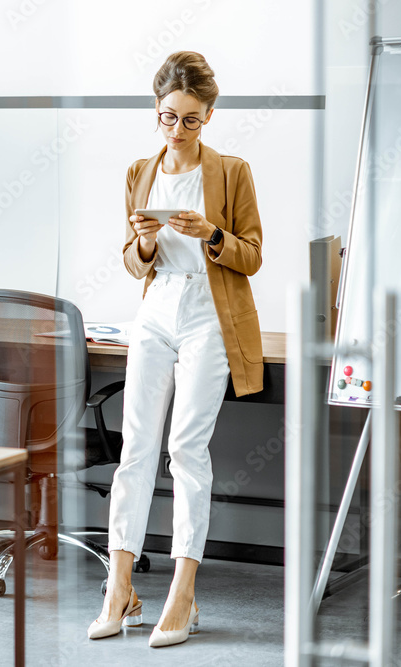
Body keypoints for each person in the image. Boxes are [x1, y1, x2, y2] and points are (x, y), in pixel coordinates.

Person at [87, 51, 264, 647]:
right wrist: (143, 242)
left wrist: (209, 234)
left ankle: (183, 593)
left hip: (210, 315)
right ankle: (121, 587)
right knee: (135, 450)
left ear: (209, 115)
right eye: (167, 117)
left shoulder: (231, 171)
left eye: (189, 119)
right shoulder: (141, 170)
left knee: (186, 448)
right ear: (156, 111)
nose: (176, 129)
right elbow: (136, 261)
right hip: (156, 309)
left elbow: (253, 255)